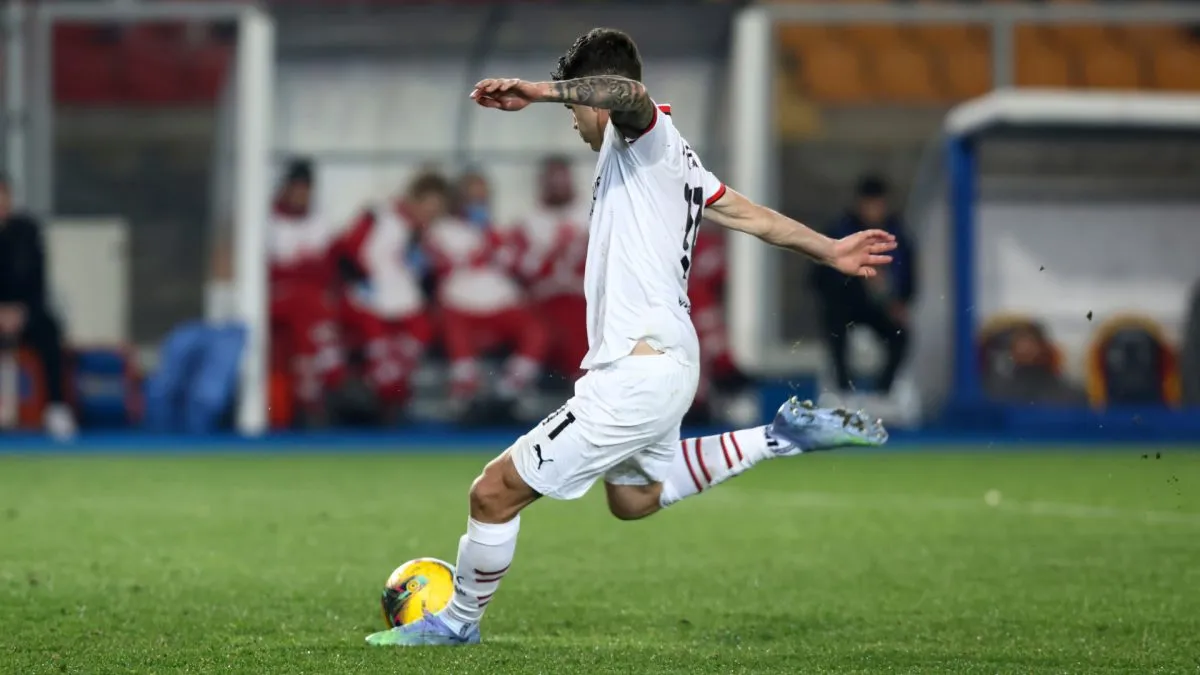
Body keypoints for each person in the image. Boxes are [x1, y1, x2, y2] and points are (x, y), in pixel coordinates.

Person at [366, 28, 894, 647]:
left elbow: (630, 93)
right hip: (666, 363)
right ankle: (779, 436)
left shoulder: (647, 139)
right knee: (635, 498)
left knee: (492, 493)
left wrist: (539, 91)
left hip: (637, 373)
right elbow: (749, 215)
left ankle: (457, 623)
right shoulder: (670, 161)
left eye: (573, 106)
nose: (572, 122)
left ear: (594, 98)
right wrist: (829, 248)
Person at [428, 170, 548, 422]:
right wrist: (483, 248)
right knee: (454, 331)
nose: (476, 204)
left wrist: (489, 234)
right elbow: (446, 265)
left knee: (536, 332)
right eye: (470, 198)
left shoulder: (497, 228)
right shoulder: (442, 229)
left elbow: (512, 262)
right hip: (461, 302)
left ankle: (509, 389)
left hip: (499, 302)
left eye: (481, 198)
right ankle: (466, 394)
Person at [333, 172, 444, 423]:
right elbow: (348, 252)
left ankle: (391, 402)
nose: (429, 216)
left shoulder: (422, 234)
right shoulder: (378, 215)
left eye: (435, 212)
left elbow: (420, 274)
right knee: (380, 350)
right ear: (415, 199)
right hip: (369, 298)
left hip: (401, 301)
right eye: (428, 208)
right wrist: (361, 284)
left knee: (412, 344)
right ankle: (375, 404)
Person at [812, 175, 915, 395]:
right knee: (835, 325)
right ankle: (843, 387)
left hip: (883, 307)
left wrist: (899, 301)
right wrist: (857, 281)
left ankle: (884, 391)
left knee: (900, 333)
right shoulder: (840, 233)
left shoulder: (898, 237)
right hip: (847, 304)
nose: (874, 210)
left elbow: (908, 278)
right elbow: (820, 277)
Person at [267, 159, 348, 426]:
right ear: (285, 189)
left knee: (313, 316)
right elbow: (271, 272)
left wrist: (301, 271)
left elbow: (329, 270)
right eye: (296, 188)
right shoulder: (268, 221)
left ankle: (314, 399)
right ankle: (326, 378)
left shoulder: (320, 221)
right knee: (308, 307)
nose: (301, 194)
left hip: (311, 305)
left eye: (306, 188)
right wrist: (303, 271)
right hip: (277, 301)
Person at [0, 176, 76, 440]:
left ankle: (56, 407)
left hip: (26, 312)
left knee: (49, 330)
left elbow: (38, 283)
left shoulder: (27, 231)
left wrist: (20, 312)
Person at [511, 156, 590, 381]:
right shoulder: (529, 221)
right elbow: (523, 268)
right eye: (552, 179)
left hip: (584, 296)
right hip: (546, 297)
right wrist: (548, 252)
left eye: (561, 178)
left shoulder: (592, 213)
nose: (557, 184)